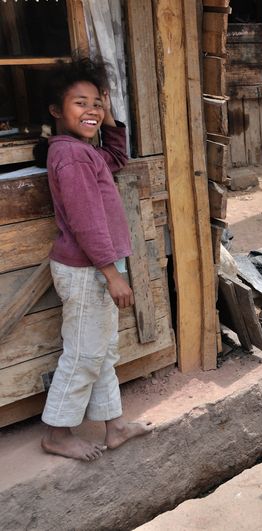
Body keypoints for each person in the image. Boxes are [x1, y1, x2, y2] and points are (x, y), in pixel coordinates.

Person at [34, 57, 152, 462]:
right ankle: (56, 432)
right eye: (80, 103)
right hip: (88, 272)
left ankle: (114, 425)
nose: (92, 111)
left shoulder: (83, 151)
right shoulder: (70, 156)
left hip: (97, 268)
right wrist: (111, 275)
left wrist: (107, 114)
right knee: (85, 353)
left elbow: (116, 157)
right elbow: (86, 223)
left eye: (97, 103)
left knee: (102, 351)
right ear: (56, 111)